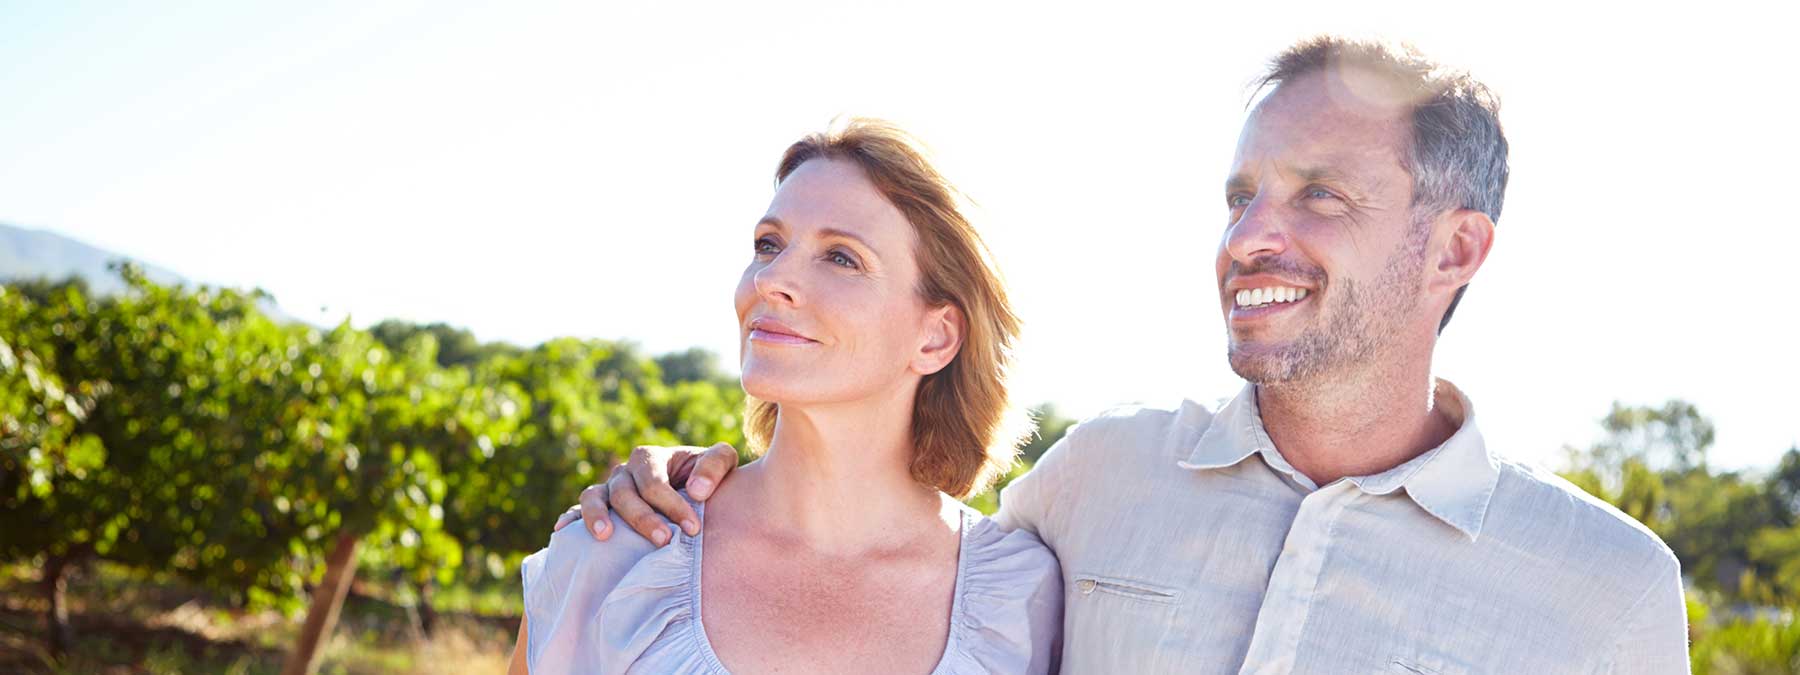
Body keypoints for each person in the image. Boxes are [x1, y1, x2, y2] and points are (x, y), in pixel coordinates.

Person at [559, 36, 1691, 673]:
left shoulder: (1608, 593)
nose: (1251, 236)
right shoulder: (1093, 486)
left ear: (1456, 247)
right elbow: (864, 518)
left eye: (1318, 196)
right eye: (1241, 195)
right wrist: (682, 477)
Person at [508, 119, 1061, 675]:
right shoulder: (609, 560)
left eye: (841, 257)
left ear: (935, 337)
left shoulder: (1026, 602)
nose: (771, 279)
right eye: (768, 244)